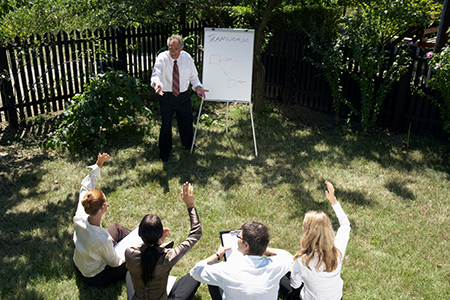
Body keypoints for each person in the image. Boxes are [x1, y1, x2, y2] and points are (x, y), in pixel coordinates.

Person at [125, 182, 202, 300]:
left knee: (128, 274)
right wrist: (190, 205)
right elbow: (196, 233)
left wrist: (159, 242)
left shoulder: (129, 253)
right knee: (196, 275)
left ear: (140, 234)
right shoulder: (167, 257)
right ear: (161, 235)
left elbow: (143, 250)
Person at [279, 181, 351, 300]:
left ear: (307, 232)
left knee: (282, 276)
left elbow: (295, 284)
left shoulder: (303, 260)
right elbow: (345, 225)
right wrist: (333, 201)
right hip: (337, 298)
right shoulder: (338, 250)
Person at [190, 221, 292, 300]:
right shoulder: (277, 265)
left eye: (239, 236)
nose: (237, 238)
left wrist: (217, 255)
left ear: (246, 245)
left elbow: (195, 271)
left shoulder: (227, 269)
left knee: (212, 266)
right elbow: (287, 256)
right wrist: (261, 248)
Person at [73, 153, 132, 286]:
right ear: (103, 207)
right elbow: (115, 262)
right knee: (133, 260)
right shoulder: (102, 240)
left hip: (80, 263)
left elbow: (85, 188)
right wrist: (130, 250)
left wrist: (98, 165)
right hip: (93, 276)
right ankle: (149, 250)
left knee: (116, 227)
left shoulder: (80, 213)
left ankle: (141, 236)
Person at [150, 34, 209, 162]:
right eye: (170, 48)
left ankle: (188, 144)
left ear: (181, 48)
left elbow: (194, 77)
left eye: (176, 48)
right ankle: (165, 152)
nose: (173, 52)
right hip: (166, 95)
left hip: (183, 95)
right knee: (166, 123)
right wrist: (157, 83)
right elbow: (156, 74)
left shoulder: (187, 58)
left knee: (187, 121)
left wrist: (198, 86)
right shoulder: (162, 57)